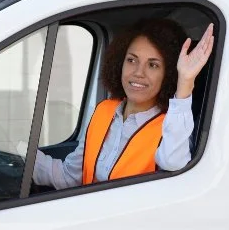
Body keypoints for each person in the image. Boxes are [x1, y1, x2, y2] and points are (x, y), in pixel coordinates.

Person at [32, 17, 214, 190]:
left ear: (168, 74)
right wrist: (20, 159)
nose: (138, 73)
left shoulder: (171, 127)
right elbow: (69, 177)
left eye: (153, 65)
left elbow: (173, 163)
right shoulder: (103, 111)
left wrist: (185, 82)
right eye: (132, 60)